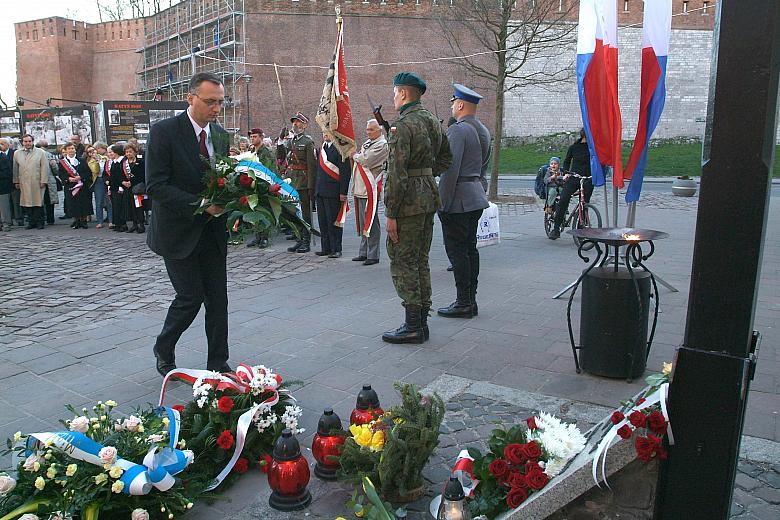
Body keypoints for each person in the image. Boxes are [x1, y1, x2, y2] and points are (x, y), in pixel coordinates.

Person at [146, 71, 232, 376]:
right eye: (210, 102)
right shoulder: (164, 132)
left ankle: (218, 363)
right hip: (177, 232)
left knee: (218, 301)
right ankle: (164, 347)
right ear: (190, 97)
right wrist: (201, 205)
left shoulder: (221, 135)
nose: (216, 108)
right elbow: (155, 185)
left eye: (220, 102)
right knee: (190, 297)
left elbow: (224, 179)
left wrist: (238, 204)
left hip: (212, 233)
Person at [382, 72, 452, 344]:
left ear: (403, 94)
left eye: (395, 93)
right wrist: (425, 174)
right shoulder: (432, 121)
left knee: (403, 261)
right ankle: (420, 321)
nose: (394, 98)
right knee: (420, 260)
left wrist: (390, 214)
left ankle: (413, 325)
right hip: (427, 198)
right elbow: (446, 157)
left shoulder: (403, 125)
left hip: (408, 204)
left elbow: (396, 175)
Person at [436, 84, 491, 319]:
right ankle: (471, 299)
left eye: (452, 103)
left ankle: (463, 302)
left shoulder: (458, 130)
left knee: (458, 252)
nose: (451, 107)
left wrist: (442, 203)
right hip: (475, 196)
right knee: (470, 250)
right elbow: (482, 168)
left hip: (458, 199)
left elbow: (449, 170)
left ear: (459, 104)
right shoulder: (483, 130)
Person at [351, 118, 388, 266]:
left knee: (371, 221)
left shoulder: (382, 145)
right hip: (360, 188)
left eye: (371, 129)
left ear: (379, 130)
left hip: (371, 188)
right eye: (367, 129)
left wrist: (355, 155)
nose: (368, 132)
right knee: (362, 221)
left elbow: (367, 160)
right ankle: (363, 252)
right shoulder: (368, 143)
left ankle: (373, 254)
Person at [551, 129, 593, 239]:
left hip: (588, 179)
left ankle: (581, 229)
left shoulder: (593, 148)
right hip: (574, 177)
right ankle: (556, 228)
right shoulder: (574, 148)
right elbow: (567, 161)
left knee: (584, 204)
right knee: (563, 199)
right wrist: (566, 173)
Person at [314, 133, 350, 258]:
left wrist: (343, 192)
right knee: (323, 221)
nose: (325, 135)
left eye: (328, 132)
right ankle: (326, 247)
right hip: (320, 190)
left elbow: (345, 172)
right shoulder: (322, 148)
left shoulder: (340, 149)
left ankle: (336, 248)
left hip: (333, 191)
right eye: (323, 132)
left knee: (333, 221)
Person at [285, 112, 316, 253]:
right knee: (295, 212)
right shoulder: (291, 141)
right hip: (292, 181)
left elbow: (312, 166)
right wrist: (280, 141)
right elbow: (281, 157)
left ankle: (306, 241)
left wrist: (311, 186)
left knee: (305, 213)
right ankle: (298, 238)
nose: (295, 124)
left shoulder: (308, 142)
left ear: (304, 125)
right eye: (294, 122)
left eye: (298, 122)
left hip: (303, 182)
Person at [12, 134, 49, 229]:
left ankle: (40, 222)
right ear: (22, 142)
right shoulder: (17, 153)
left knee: (38, 202)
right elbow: (15, 168)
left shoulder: (40, 152)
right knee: (27, 203)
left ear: (32, 141)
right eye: (25, 141)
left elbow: (45, 167)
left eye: (29, 141)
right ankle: (31, 222)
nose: (27, 143)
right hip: (24, 182)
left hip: (37, 181)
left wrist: (44, 180)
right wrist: (16, 181)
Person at [58, 142, 93, 229]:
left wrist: (80, 177)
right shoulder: (63, 162)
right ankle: (76, 220)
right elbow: (61, 174)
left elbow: (88, 172)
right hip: (70, 186)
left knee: (83, 203)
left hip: (82, 185)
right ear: (65, 151)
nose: (71, 150)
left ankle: (84, 220)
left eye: (73, 148)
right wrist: (68, 179)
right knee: (73, 203)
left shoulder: (82, 160)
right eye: (69, 149)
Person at [123, 142, 146, 233]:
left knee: (138, 207)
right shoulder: (124, 163)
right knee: (131, 207)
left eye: (130, 152)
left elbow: (142, 175)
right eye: (127, 152)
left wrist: (131, 182)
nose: (129, 154)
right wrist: (123, 182)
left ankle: (141, 225)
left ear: (135, 152)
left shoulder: (140, 162)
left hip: (137, 188)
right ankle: (134, 224)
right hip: (128, 188)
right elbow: (121, 175)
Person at [36, 140, 60, 225]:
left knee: (40, 200)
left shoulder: (34, 154)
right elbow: (55, 167)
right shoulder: (49, 155)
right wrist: (55, 174)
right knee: (50, 200)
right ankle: (50, 219)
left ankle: (41, 218)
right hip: (49, 180)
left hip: (37, 180)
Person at [108, 143, 130, 232]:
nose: (111, 154)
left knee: (120, 206)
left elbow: (121, 174)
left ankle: (123, 224)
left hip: (120, 187)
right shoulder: (114, 161)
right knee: (115, 206)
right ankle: (117, 223)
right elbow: (112, 176)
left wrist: (121, 185)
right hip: (114, 187)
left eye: (112, 152)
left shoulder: (122, 161)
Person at [90, 143, 110, 228]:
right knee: (99, 202)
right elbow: (95, 171)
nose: (93, 154)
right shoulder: (91, 162)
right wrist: (97, 162)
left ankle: (111, 220)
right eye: (91, 153)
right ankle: (100, 221)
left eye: (94, 152)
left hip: (107, 180)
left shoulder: (105, 158)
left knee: (109, 201)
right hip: (98, 181)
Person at [0, 138, 13, 231]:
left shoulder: (3, 157)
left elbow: (7, 173)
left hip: (2, 186)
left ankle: (6, 223)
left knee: (4, 206)